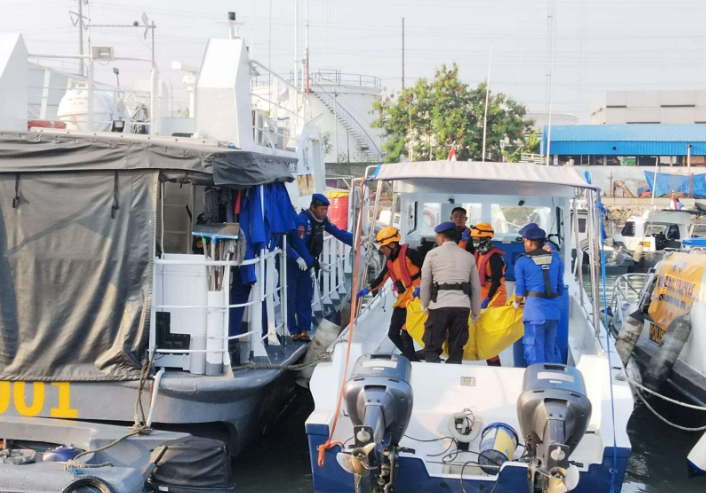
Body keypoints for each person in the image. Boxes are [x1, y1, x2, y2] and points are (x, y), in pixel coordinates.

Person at [286, 193, 353, 342]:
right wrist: (314, 263)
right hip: (292, 263)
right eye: (321, 209)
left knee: (305, 296)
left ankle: (304, 329)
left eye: (326, 209)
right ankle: (291, 330)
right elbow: (299, 245)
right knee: (290, 297)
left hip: (306, 263)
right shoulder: (302, 222)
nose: (324, 212)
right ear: (313, 207)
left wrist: (356, 240)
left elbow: (337, 232)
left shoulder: (321, 221)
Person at [419, 221, 482, 364]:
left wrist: (424, 303)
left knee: (432, 348)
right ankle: (453, 373)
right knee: (456, 350)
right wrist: (476, 311)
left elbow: (425, 282)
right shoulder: (468, 256)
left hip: (439, 306)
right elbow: (475, 287)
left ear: (441, 237)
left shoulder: (432, 254)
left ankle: (436, 379)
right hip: (462, 307)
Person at [356, 227, 422, 361]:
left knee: (405, 331)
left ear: (392, 245)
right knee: (392, 333)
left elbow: (429, 268)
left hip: (415, 298)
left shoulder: (410, 254)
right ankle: (411, 356)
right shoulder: (391, 261)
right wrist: (368, 289)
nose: (381, 250)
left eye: (383, 247)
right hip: (403, 299)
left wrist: (422, 288)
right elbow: (382, 277)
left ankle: (412, 359)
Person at [513, 223, 564, 366]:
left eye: (524, 241)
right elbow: (560, 288)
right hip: (554, 313)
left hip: (534, 313)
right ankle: (553, 379)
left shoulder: (522, 261)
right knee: (551, 350)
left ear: (529, 241)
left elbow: (520, 292)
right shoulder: (556, 260)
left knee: (534, 350)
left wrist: (515, 304)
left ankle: (538, 381)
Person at [470, 223, 507, 367]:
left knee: (488, 330)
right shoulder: (479, 253)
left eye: (477, 240)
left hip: (495, 294)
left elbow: (496, 281)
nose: (475, 242)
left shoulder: (494, 257)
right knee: (481, 328)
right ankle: (490, 359)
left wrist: (487, 299)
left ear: (485, 239)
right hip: (483, 293)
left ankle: (494, 363)